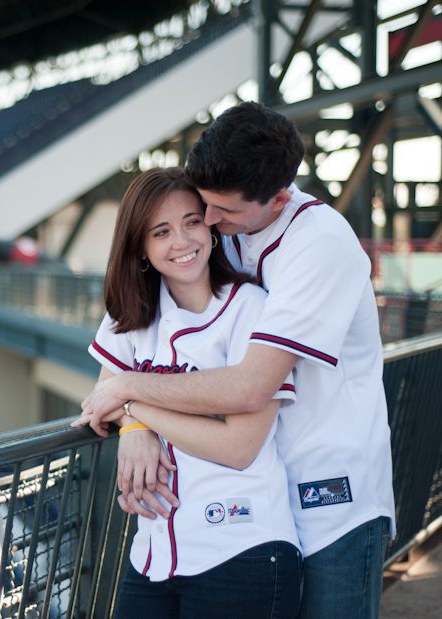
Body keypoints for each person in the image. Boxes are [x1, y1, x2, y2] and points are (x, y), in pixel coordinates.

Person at [79, 102, 395, 618]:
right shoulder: (230, 231)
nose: (208, 223)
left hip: (331, 493)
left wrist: (130, 396)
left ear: (277, 197)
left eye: (219, 212)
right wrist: (134, 424)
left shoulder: (319, 244)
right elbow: (115, 374)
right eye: (204, 206)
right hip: (262, 490)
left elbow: (249, 387)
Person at [73, 167, 301, 618]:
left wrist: (135, 402)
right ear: (140, 247)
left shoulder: (251, 309)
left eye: (192, 222)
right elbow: (103, 398)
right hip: (153, 555)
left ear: (211, 228)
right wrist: (133, 426)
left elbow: (239, 447)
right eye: (161, 231)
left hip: (242, 549)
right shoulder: (132, 315)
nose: (182, 241)